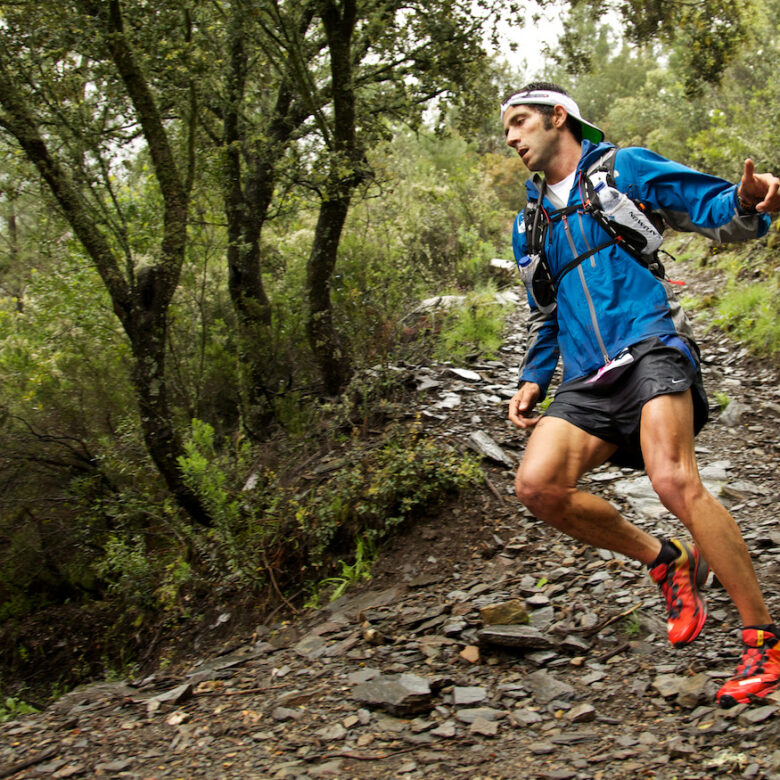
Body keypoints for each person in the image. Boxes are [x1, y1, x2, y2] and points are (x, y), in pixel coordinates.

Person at [503, 81, 780, 707]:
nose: (514, 139)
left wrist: (747, 198)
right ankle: (667, 558)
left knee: (674, 480)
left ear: (558, 117)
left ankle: (764, 642)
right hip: (585, 378)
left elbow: (713, 206)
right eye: (508, 131)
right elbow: (544, 313)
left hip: (650, 344)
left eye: (521, 123)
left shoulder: (624, 169)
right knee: (538, 486)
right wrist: (532, 378)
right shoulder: (529, 225)